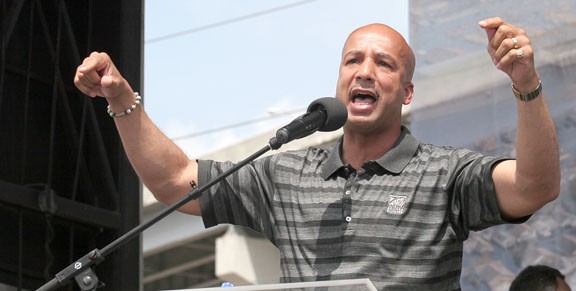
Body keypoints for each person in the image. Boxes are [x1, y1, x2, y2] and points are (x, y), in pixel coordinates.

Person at [74, 17, 560, 290]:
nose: (364, 71)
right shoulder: (284, 171)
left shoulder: (445, 172)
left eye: (383, 64)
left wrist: (526, 84)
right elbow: (178, 181)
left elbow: (536, 187)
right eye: (353, 60)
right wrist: (121, 99)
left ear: (407, 93)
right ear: (339, 81)